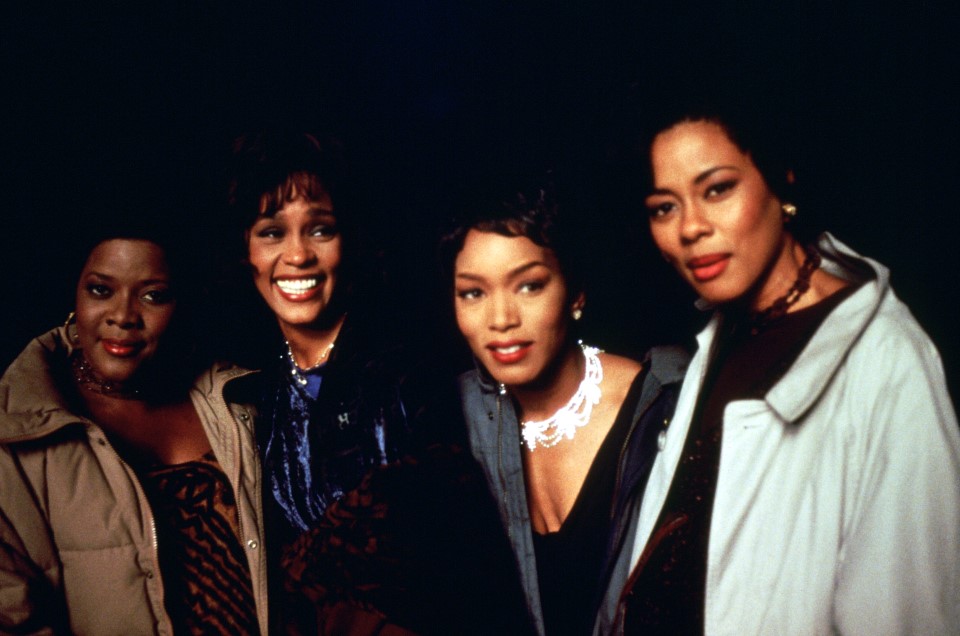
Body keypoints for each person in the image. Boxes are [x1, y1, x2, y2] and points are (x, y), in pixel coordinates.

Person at [613, 91, 960, 634]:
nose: (690, 228)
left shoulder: (887, 361)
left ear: (781, 181)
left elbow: (908, 613)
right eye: (665, 207)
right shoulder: (719, 334)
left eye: (718, 189)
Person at [440, 177, 689, 636]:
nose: (501, 320)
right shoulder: (452, 421)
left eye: (529, 286)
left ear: (575, 292)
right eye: (473, 293)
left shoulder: (667, 406)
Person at [0, 222, 267, 634]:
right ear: (74, 294)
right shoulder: (16, 433)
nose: (123, 316)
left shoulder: (235, 403)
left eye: (152, 296)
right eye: (100, 290)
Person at [223, 132, 414, 626]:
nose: (298, 255)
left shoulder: (408, 373)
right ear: (245, 250)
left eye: (320, 230)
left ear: (349, 239)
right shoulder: (249, 390)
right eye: (271, 232)